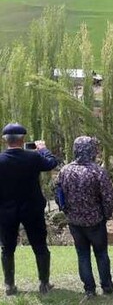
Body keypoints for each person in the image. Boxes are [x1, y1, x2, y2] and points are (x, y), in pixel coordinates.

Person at [57, 136, 113, 299]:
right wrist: (105, 215)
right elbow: (108, 197)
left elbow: (58, 194)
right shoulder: (97, 171)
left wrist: (66, 211)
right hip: (95, 221)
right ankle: (107, 286)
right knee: (101, 254)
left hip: (74, 222)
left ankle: (89, 290)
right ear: (92, 150)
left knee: (82, 254)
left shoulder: (65, 170)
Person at [0, 123, 58, 296]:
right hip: (32, 209)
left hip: (5, 211)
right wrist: (43, 149)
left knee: (7, 248)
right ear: (23, 139)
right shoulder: (33, 158)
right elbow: (51, 163)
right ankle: (44, 283)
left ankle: (9, 285)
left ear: (5, 141)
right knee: (40, 245)